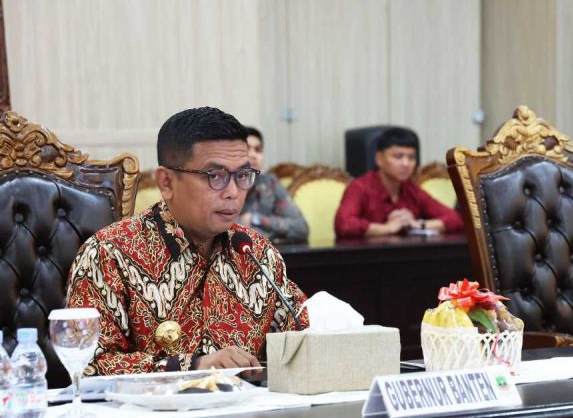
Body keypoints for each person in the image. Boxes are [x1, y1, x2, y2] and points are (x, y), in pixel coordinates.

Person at [66, 107, 309, 376]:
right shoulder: (109, 253)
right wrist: (192, 367)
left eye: (242, 176)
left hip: (245, 414)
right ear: (167, 182)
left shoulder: (257, 253)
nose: (232, 193)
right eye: (215, 176)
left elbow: (303, 336)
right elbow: (87, 366)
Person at [334, 127, 463, 238]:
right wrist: (387, 228)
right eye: (398, 157)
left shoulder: (411, 189)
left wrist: (418, 224)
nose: (406, 164)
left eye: (411, 157)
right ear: (379, 158)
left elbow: (456, 219)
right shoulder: (360, 187)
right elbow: (344, 225)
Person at [238, 127, 309, 243]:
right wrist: (272, 232)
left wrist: (256, 219)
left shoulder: (270, 183)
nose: (253, 155)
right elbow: (223, 231)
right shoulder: (225, 184)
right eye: (247, 149)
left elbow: (301, 228)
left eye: (258, 150)